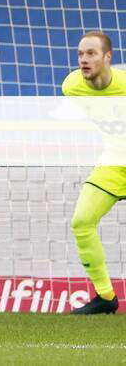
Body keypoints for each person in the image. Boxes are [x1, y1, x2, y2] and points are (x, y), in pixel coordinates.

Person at [64, 30, 125, 315]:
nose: (84, 60)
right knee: (81, 221)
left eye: (91, 54)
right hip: (114, 162)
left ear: (108, 57)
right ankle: (105, 297)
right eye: (80, 54)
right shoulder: (72, 86)